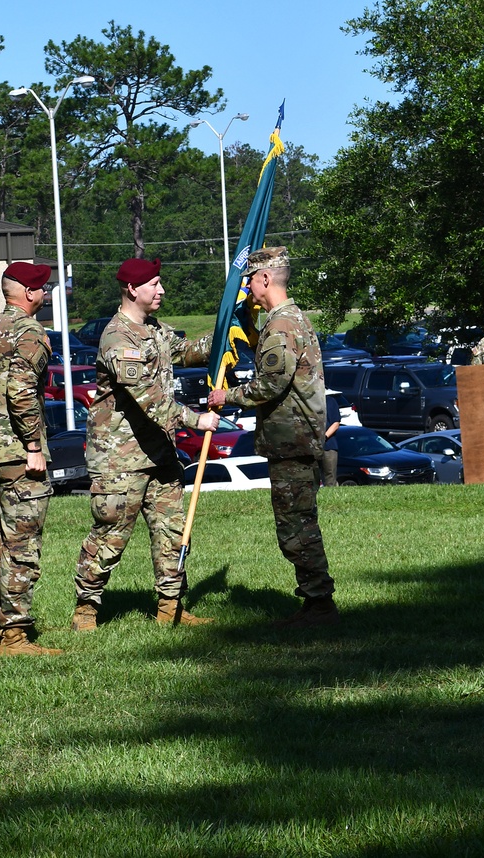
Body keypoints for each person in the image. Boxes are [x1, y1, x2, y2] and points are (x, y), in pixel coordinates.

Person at [71, 257, 220, 631]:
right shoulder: (118, 338)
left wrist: (226, 331)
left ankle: (171, 606)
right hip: (120, 459)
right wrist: (195, 420)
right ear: (132, 289)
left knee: (171, 531)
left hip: (160, 452)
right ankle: (86, 610)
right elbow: (148, 397)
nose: (162, 290)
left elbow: (187, 351)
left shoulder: (153, 329)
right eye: (155, 284)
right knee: (111, 534)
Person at [209, 247, 338, 628]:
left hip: (291, 440)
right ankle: (317, 603)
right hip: (295, 439)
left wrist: (226, 396)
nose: (247, 287)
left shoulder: (282, 325)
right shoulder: (293, 319)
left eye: (250, 279)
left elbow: (270, 382)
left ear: (265, 279)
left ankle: (319, 604)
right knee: (299, 522)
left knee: (295, 528)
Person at [0, 261, 62, 657]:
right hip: (18, 453)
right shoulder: (30, 332)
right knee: (22, 544)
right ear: (26, 293)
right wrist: (34, 446)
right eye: (41, 287)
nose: (46, 293)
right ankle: (16, 634)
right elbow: (22, 391)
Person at [319, 392, 341, 488]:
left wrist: (325, 437)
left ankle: (332, 498)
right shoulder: (307, 402)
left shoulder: (330, 401)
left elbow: (336, 423)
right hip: (310, 445)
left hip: (328, 445)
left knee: (330, 477)